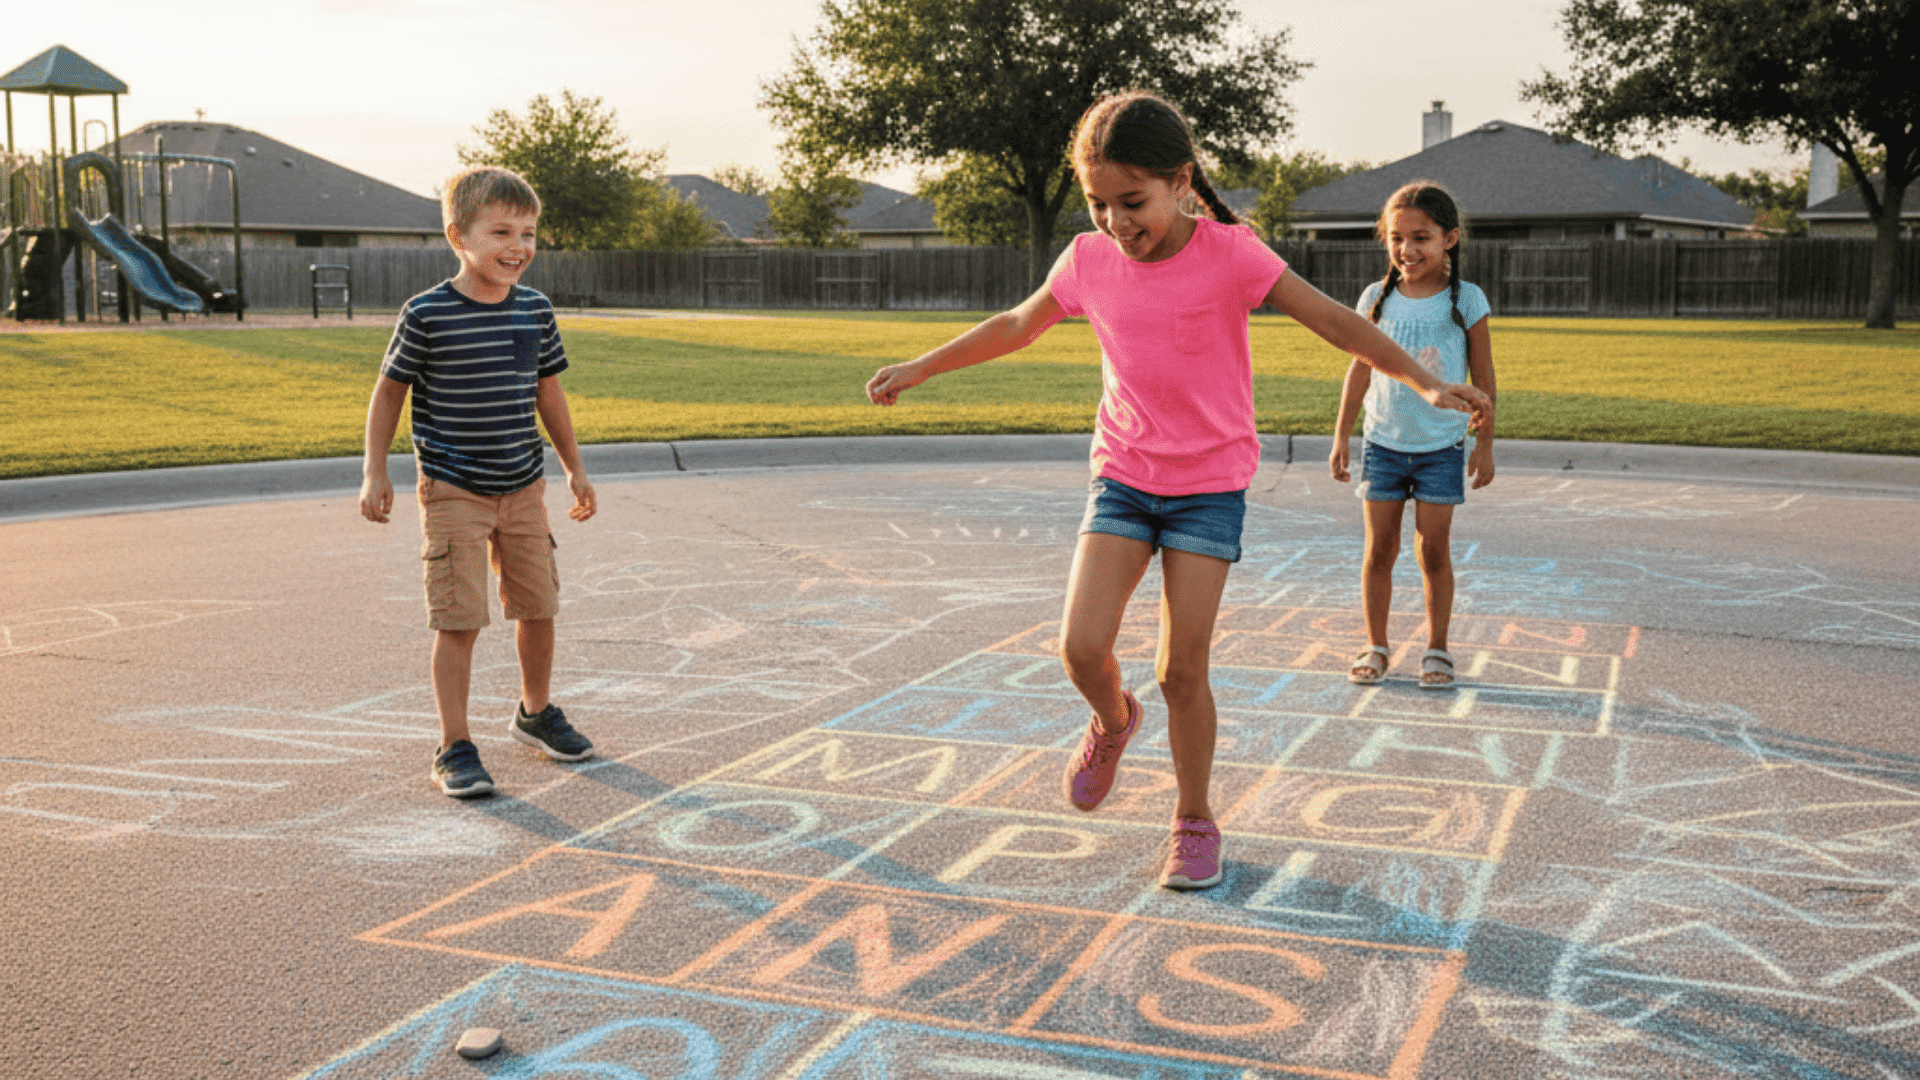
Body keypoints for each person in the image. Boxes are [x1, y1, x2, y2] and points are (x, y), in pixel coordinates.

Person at [866, 93, 1491, 889]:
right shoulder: (1088, 260)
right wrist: (922, 366)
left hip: (1207, 487)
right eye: (1098, 204)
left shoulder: (1232, 254)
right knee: (1081, 647)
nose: (1116, 222)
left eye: (1133, 203)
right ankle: (1111, 721)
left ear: (1181, 183)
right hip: (1124, 476)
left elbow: (1335, 322)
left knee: (1181, 671)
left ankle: (1194, 818)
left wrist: (1429, 384)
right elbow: (1015, 324)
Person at [358, 165, 599, 799]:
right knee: (460, 618)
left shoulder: (535, 310)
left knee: (539, 607)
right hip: (453, 488)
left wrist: (574, 467)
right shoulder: (428, 312)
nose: (518, 246)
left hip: (523, 486)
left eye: (528, 232)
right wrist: (375, 470)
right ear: (458, 235)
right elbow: (388, 394)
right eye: (500, 232)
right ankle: (455, 744)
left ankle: (536, 712)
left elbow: (550, 392)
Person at [1329, 181, 1497, 690]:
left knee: (1433, 554)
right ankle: (1376, 645)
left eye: (1420, 237)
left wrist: (1484, 444)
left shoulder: (1465, 299)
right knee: (1379, 551)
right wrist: (1341, 436)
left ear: (1449, 238)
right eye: (1396, 238)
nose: (1406, 250)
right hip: (1382, 444)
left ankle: (1437, 648)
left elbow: (1485, 379)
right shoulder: (1375, 299)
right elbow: (1359, 371)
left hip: (1440, 448)